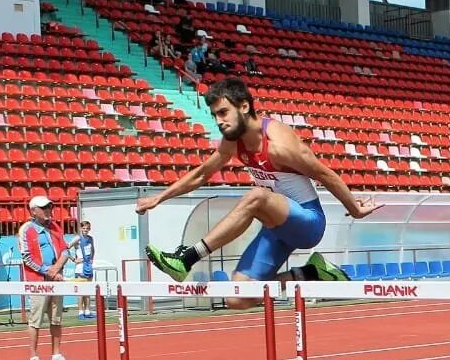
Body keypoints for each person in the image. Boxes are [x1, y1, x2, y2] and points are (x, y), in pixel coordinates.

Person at [137, 78, 379, 308]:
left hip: (308, 222)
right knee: (238, 297)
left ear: (244, 106)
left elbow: (325, 174)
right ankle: (311, 273)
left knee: (256, 196)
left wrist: (354, 210)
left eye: (223, 112)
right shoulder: (233, 142)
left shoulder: (279, 145)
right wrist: (159, 198)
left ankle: (187, 258)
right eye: (214, 116)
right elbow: (202, 174)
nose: (219, 121)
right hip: (275, 229)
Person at [19, 194, 74, 360]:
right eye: (44, 208)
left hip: (55, 279)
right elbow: (27, 257)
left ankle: (56, 356)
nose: (49, 210)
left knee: (56, 318)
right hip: (38, 282)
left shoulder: (54, 227)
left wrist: (56, 269)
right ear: (34, 211)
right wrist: (47, 271)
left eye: (50, 207)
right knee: (36, 320)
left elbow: (65, 250)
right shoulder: (26, 229)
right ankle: (33, 357)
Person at [69, 219, 96, 320]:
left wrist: (92, 258)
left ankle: (88, 311)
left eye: (87, 228)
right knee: (81, 291)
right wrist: (74, 259)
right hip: (80, 268)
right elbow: (66, 248)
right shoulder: (77, 238)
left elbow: (93, 249)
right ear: (80, 228)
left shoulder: (90, 239)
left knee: (88, 290)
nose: (86, 230)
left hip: (88, 267)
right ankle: (80, 312)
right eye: (84, 228)